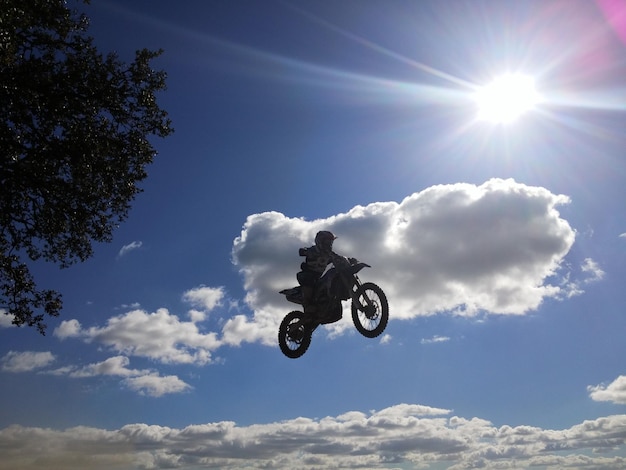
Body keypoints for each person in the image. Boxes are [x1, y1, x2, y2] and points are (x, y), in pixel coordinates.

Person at [297, 230, 340, 314]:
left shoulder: (329, 253)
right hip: (307, 274)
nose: (329, 244)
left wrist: (349, 260)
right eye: (327, 241)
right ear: (320, 241)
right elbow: (303, 250)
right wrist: (305, 251)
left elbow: (338, 257)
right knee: (309, 280)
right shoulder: (314, 250)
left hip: (318, 277)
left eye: (331, 242)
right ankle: (307, 305)